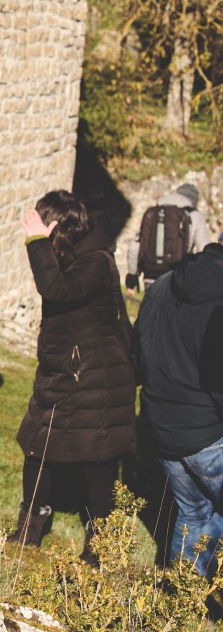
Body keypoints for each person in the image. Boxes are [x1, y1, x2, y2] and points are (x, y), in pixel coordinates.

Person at [9, 191, 136, 566]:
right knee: (37, 448)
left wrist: (36, 243)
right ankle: (29, 529)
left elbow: (57, 290)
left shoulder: (96, 261)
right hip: (63, 374)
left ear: (56, 231)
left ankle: (98, 547)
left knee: (96, 460)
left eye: (43, 230)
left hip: (95, 378)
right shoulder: (75, 256)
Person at [132, 242, 223, 578]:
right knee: (196, 513)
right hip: (207, 432)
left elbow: (137, 354)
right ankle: (193, 579)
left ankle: (180, 596)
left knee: (192, 512)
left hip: (161, 425)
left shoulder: (162, 284)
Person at [126, 182, 212, 293]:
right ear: (194, 200)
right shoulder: (195, 215)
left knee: (151, 304)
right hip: (177, 277)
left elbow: (135, 245)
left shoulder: (154, 213)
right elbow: (204, 250)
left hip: (150, 275)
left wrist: (132, 274)